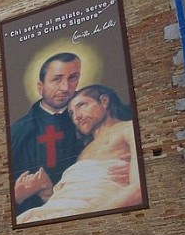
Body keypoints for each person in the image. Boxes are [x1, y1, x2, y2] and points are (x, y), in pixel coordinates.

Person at [16, 85, 141, 224]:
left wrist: (91, 220)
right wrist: (48, 190)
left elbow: (138, 189)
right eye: (71, 113)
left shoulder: (128, 128)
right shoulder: (83, 152)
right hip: (73, 214)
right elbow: (76, 195)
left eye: (82, 105)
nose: (77, 116)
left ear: (104, 101)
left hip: (96, 214)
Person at [11, 53, 85, 216]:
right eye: (57, 79)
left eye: (73, 78)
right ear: (40, 87)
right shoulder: (18, 132)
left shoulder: (90, 122)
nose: (65, 87)